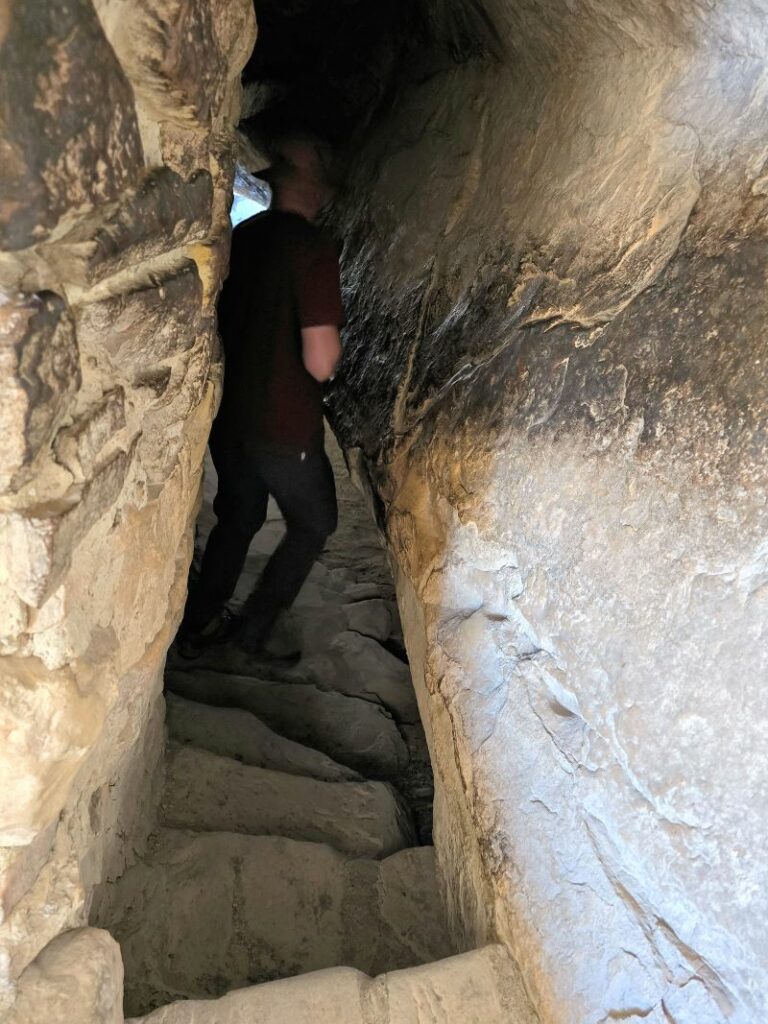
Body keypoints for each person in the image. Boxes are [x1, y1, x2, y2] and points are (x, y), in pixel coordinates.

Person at [179, 137, 344, 657]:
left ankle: (198, 624)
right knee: (315, 522)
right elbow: (321, 360)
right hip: (284, 425)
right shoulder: (313, 250)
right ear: (312, 188)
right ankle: (254, 631)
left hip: (231, 418)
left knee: (240, 517)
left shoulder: (244, 236)